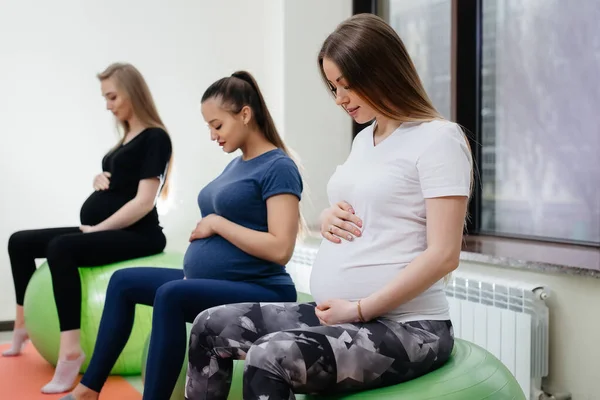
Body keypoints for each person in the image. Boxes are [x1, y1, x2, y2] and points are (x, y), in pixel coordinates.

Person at [184, 13, 474, 400]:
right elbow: (370, 211)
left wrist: (358, 309)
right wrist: (326, 217)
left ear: (383, 70)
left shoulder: (439, 139)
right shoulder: (364, 140)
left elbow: (444, 255)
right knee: (209, 326)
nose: (340, 99)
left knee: (270, 356)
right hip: (339, 311)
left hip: (410, 327)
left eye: (346, 85)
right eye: (333, 87)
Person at [60, 70, 303, 400]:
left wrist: (216, 224)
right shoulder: (236, 165)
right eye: (209, 127)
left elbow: (280, 248)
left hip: (262, 288)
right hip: (218, 280)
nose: (212, 135)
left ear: (245, 114)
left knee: (171, 295)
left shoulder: (278, 166)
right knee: (123, 282)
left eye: (217, 125)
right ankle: (88, 390)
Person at [3, 62, 173, 394]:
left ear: (132, 93)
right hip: (109, 227)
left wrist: (100, 230)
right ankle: (21, 325)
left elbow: (144, 202)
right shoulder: (126, 137)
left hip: (139, 235)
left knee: (61, 248)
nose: (108, 104)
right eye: (105, 97)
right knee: (19, 242)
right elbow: (122, 182)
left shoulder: (156, 137)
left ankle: (71, 352)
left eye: (112, 96)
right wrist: (100, 178)